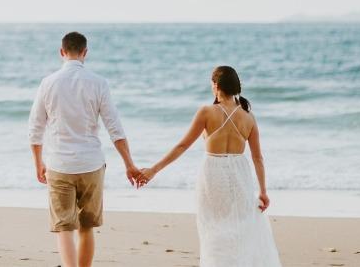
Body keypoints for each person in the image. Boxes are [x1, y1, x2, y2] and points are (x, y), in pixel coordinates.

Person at [137, 66, 281, 266]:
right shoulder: (248, 117)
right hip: (240, 174)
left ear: (216, 85)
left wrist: (154, 170)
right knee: (239, 227)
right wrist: (263, 191)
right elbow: (258, 158)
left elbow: (182, 145)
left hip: (213, 174)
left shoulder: (207, 112)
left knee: (213, 227)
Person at [28, 31, 144, 267]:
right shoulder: (99, 83)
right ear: (85, 53)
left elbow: (35, 128)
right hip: (91, 164)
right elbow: (116, 130)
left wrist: (38, 163)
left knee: (64, 228)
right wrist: (129, 165)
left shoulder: (48, 83)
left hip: (59, 165)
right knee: (87, 226)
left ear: (62, 52)